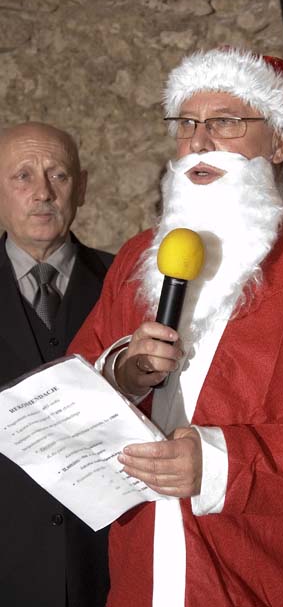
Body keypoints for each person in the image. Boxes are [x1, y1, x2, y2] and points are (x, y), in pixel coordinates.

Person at [69, 47, 283, 607]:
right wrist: (121, 374)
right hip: (142, 578)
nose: (199, 142)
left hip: (272, 583)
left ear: (280, 143)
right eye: (186, 123)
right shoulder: (137, 255)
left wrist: (220, 463)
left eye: (226, 122)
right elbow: (69, 395)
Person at [0, 121, 112, 607]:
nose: (43, 193)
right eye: (22, 176)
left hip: (106, 565)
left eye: (58, 175)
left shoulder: (128, 282)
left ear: (81, 187)